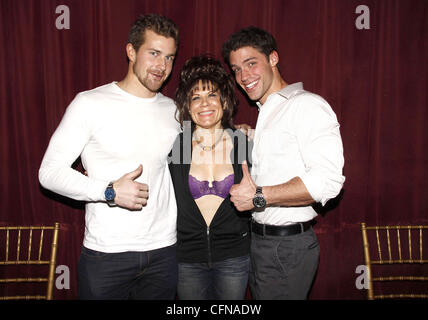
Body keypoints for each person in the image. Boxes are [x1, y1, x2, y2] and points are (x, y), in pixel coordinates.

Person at [39, 14, 180, 299]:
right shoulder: (90, 103)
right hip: (107, 255)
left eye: (169, 57)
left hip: (165, 252)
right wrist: (109, 191)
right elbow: (49, 173)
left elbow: (196, 158)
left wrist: (237, 135)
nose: (162, 66)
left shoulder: (174, 110)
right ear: (131, 51)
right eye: (154, 53)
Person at [222, 26, 345, 300]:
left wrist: (258, 196)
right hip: (259, 243)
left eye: (251, 63)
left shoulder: (307, 106)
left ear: (273, 59)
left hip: (286, 248)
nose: (243, 76)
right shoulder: (267, 113)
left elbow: (328, 181)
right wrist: (248, 137)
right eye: (236, 69)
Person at [168, 55, 252, 300]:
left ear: (224, 100)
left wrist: (257, 199)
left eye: (211, 95)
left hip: (234, 255)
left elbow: (261, 197)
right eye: (196, 97)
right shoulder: (179, 145)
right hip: (187, 257)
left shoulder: (242, 142)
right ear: (187, 106)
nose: (204, 103)